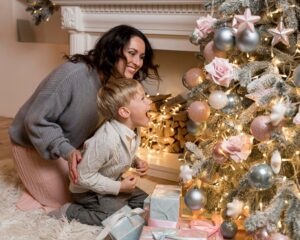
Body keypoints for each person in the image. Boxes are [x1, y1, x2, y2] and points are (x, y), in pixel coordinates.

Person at [9, 24, 160, 211]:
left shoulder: (116, 84)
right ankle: (34, 187)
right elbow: (34, 120)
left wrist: (132, 157)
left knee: (89, 191)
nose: (137, 62)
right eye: (132, 53)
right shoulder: (74, 74)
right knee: (68, 200)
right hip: (32, 143)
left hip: (72, 147)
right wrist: (67, 150)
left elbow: (106, 132)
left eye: (142, 57)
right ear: (114, 49)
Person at [49, 77, 151, 225]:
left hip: (109, 181)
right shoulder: (106, 139)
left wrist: (136, 161)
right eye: (143, 99)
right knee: (115, 218)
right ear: (124, 112)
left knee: (147, 202)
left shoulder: (134, 130)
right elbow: (83, 177)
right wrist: (120, 187)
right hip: (86, 190)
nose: (149, 102)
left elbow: (122, 152)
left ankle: (117, 203)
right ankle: (70, 211)